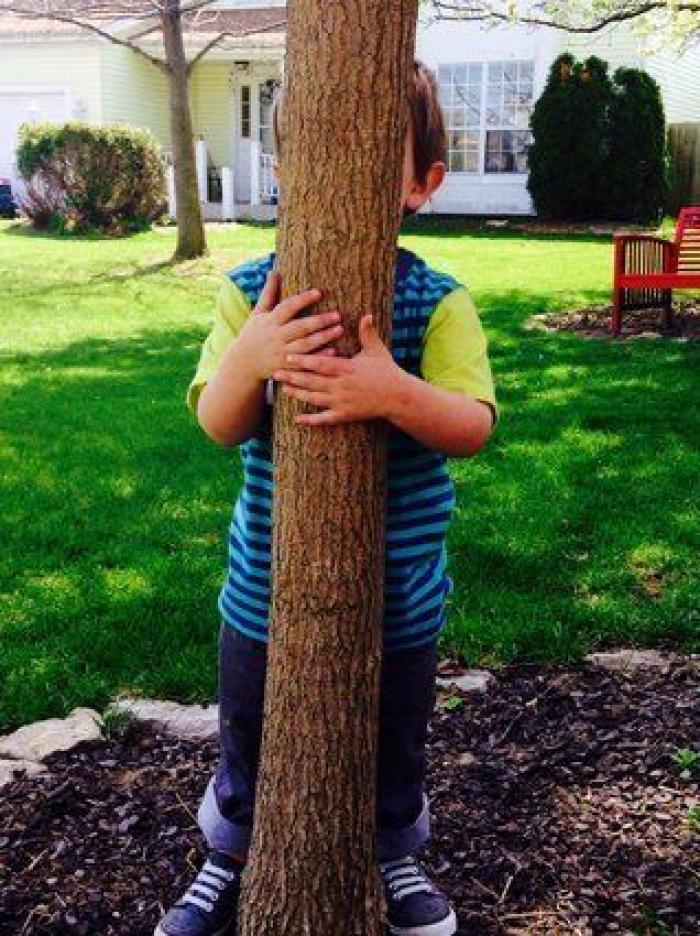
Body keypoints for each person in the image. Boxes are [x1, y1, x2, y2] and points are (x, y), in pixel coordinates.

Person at [155, 61, 499, 936]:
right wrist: (254, 357)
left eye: (379, 158)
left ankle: (393, 849)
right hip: (264, 588)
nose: (333, 171)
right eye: (308, 154)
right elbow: (220, 425)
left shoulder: (439, 302)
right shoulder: (249, 296)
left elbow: (472, 424)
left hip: (400, 596)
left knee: (394, 738)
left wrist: (395, 393)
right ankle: (227, 853)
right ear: (281, 171)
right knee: (249, 733)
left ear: (424, 184)